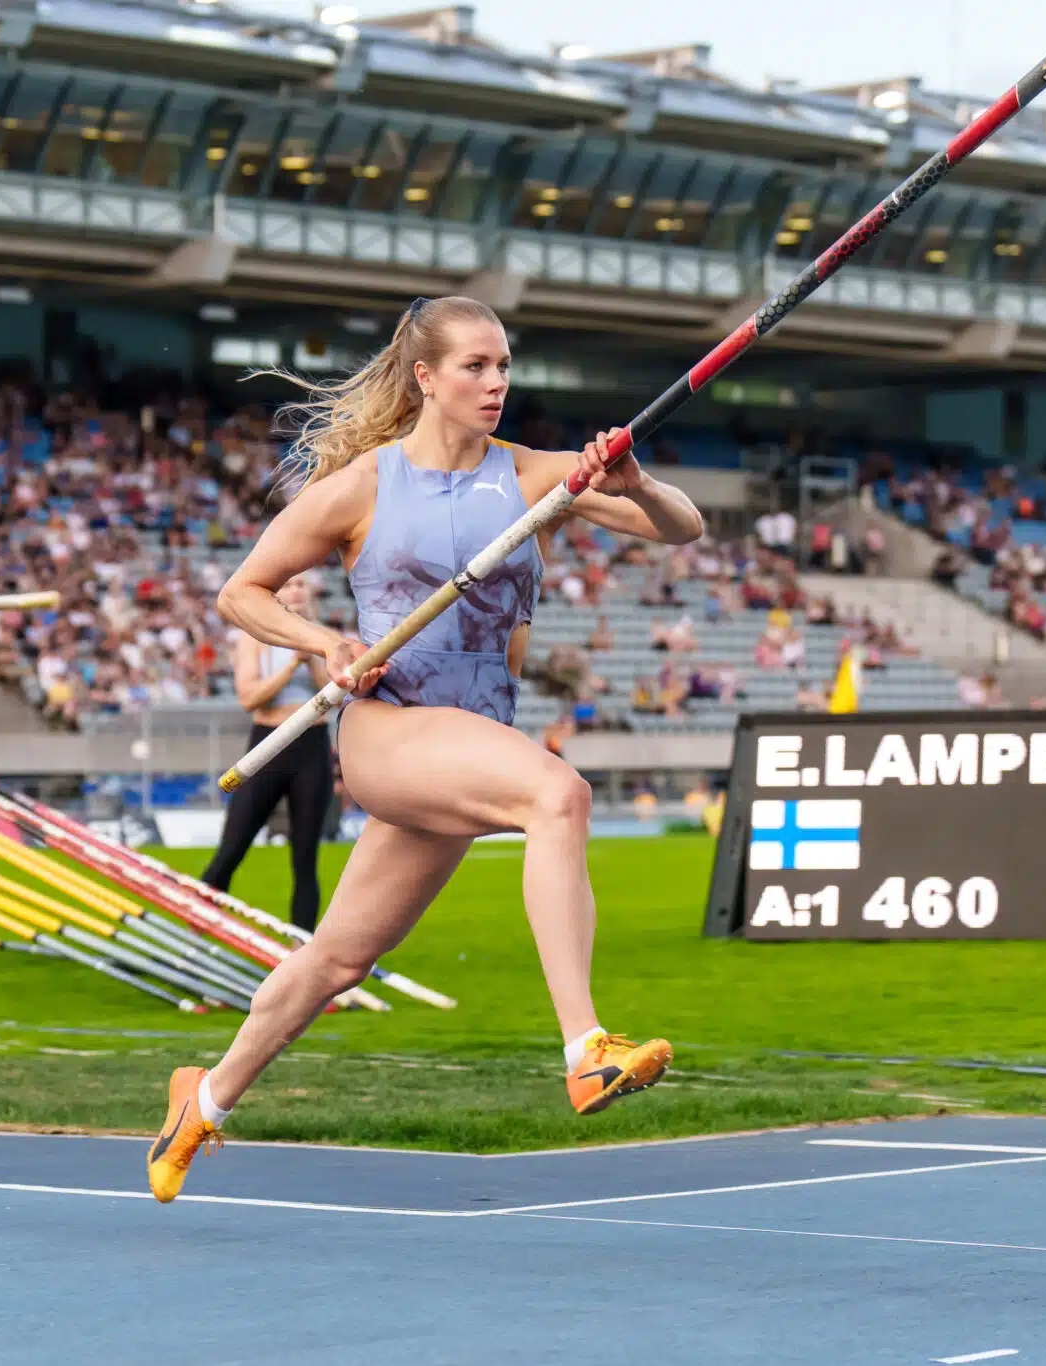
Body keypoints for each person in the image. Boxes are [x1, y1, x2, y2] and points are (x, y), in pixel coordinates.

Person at [147, 295, 705, 1203]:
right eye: (475, 366)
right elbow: (243, 592)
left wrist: (635, 482)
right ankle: (585, 1048)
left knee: (335, 961)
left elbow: (684, 528)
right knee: (558, 797)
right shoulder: (364, 485)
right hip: (390, 732)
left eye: (503, 366)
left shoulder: (529, 476)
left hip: (472, 738)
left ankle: (201, 1100)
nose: (495, 383)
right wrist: (322, 645)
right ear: (426, 377)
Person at [197, 574, 335, 932]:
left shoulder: (325, 637)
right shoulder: (255, 637)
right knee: (231, 850)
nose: (297, 591)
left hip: (311, 746)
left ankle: (300, 951)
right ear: (276, 594)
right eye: (289, 585)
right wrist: (291, 664)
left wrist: (313, 658)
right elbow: (249, 698)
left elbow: (335, 694)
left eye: (303, 584)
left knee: (305, 858)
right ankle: (195, 933)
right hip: (268, 744)